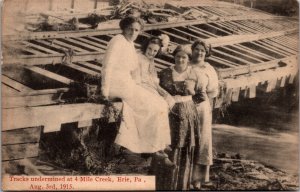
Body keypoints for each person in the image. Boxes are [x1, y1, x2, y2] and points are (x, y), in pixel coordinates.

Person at [101, 16, 172, 164]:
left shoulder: (129, 43)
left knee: (160, 104)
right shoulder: (117, 41)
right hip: (117, 84)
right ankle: (149, 147)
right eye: (130, 28)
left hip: (127, 84)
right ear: (123, 27)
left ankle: (158, 145)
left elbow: (134, 72)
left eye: (136, 30)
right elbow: (107, 66)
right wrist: (104, 91)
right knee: (151, 106)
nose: (133, 32)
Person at [151, 45, 206, 190]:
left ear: (188, 59)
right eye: (178, 57)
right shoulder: (164, 73)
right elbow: (155, 91)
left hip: (187, 114)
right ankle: (162, 185)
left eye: (184, 57)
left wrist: (187, 104)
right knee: (166, 145)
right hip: (167, 113)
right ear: (174, 58)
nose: (180, 60)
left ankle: (180, 185)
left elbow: (201, 96)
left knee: (183, 147)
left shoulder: (195, 73)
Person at [189, 40, 219, 189]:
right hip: (185, 105)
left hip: (202, 107)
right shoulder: (185, 64)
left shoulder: (209, 69)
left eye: (202, 50)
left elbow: (214, 90)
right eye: (197, 49)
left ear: (206, 53)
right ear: (192, 50)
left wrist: (202, 97)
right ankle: (184, 175)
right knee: (187, 138)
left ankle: (198, 178)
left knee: (202, 140)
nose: (199, 53)